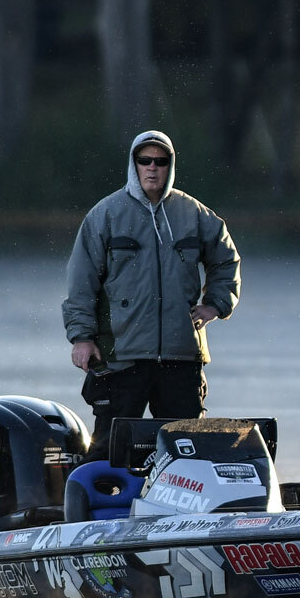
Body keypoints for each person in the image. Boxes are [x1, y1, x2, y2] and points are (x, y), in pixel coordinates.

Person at [63, 129, 240, 458]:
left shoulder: (195, 215)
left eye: (161, 161)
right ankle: (100, 505)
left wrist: (215, 304)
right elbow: (81, 281)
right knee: (109, 448)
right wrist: (82, 337)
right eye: (144, 160)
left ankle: (185, 509)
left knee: (189, 452)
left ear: (170, 165)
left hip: (182, 356)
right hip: (121, 357)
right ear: (134, 164)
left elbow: (226, 259)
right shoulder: (104, 215)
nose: (152, 167)